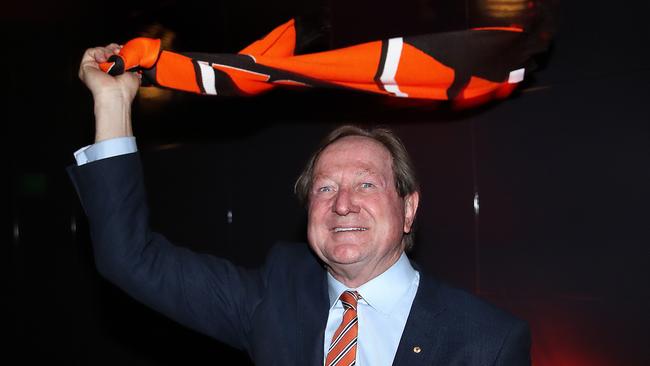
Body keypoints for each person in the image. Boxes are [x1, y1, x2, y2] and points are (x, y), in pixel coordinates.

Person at [69, 44, 532, 366]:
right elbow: (128, 259)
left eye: (367, 185)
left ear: (409, 209)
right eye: (325, 188)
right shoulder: (275, 298)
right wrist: (112, 103)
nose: (343, 205)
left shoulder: (486, 341)